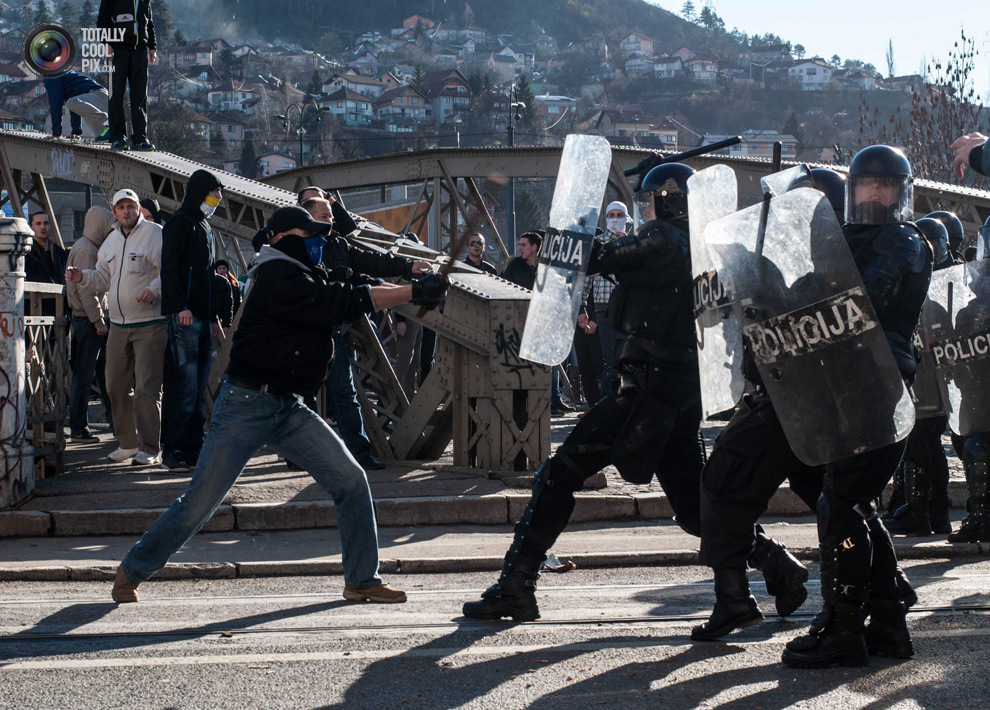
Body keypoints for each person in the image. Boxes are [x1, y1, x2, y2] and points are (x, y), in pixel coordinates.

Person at [462, 163, 795, 623]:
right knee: (697, 509)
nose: (644, 209)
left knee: (560, 473)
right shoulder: (701, 245)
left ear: (666, 200)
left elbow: (598, 256)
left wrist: (571, 230)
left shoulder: (662, 240)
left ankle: (516, 584)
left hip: (646, 392)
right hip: (677, 391)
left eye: (649, 200)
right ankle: (777, 566)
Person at [109, 206, 447, 604]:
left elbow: (355, 273)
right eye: (314, 237)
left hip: (286, 406)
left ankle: (361, 579)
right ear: (288, 239)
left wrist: (410, 272)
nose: (323, 244)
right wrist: (413, 291)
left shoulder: (299, 268)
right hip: (245, 405)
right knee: (199, 503)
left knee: (351, 480)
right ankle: (131, 570)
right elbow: (339, 300)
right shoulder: (276, 275)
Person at [783, 145, 932, 669]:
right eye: (865, 185)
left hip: (879, 383)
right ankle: (888, 626)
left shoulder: (904, 240)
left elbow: (865, 295)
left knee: (843, 502)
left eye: (884, 185)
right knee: (853, 504)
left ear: (899, 191)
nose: (873, 194)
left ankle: (844, 628)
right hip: (846, 385)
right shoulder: (845, 240)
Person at [302, 197, 433, 469]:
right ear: (307, 217)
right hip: (302, 331)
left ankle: (360, 456)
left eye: (331, 215)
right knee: (302, 395)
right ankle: (299, 454)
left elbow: (371, 262)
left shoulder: (337, 244)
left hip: (331, 329)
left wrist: (407, 267)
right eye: (324, 216)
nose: (330, 220)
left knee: (346, 394)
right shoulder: (296, 247)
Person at [65, 189, 166, 466]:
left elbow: (168, 272)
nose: (126, 211)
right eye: (120, 207)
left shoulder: (155, 234)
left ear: (137, 208)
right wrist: (81, 276)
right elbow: (102, 279)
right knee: (114, 385)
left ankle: (150, 448)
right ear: (114, 213)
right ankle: (127, 443)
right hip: (118, 325)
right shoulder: (109, 242)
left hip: (150, 324)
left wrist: (154, 290)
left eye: (130, 206)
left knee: (147, 388)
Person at [883, 217, 955, 536]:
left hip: (931, 372)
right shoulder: (937, 277)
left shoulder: (944, 280)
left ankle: (920, 511)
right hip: (932, 372)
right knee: (927, 442)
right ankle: (932, 510)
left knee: (920, 441)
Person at [160, 169, 225, 472]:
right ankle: (172, 449)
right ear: (201, 192)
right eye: (214, 194)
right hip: (184, 315)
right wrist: (179, 306)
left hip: (202, 317)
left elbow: (209, 278)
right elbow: (169, 269)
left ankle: (192, 449)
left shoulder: (205, 227)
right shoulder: (180, 223)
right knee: (182, 387)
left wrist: (213, 317)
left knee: (198, 390)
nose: (217, 200)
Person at [500, 232, 570, 415]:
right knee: (526, 362)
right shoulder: (514, 266)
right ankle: (532, 402)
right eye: (520, 244)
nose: (520, 248)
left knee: (551, 361)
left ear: (534, 248)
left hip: (546, 321)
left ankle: (554, 400)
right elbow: (502, 287)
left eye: (523, 245)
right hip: (522, 321)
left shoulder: (549, 267)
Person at [66, 206, 114, 442]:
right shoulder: (88, 250)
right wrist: (98, 321)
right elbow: (87, 290)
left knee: (100, 375)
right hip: (89, 321)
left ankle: (115, 424)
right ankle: (78, 427)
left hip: (86, 319)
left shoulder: (84, 246)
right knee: (86, 376)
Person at [585, 201, 632, 398]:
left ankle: (626, 398)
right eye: (611, 215)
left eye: (619, 215)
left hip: (630, 308)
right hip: (604, 308)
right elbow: (586, 280)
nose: (615, 219)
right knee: (611, 357)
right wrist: (582, 309)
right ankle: (608, 400)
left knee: (629, 356)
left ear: (626, 218)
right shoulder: (597, 244)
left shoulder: (635, 241)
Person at [97, 0, 156, 151]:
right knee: (116, 95)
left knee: (140, 97)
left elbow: (149, 22)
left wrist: (152, 47)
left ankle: (140, 139)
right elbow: (102, 19)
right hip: (118, 52)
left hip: (140, 52)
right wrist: (106, 43)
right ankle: (118, 138)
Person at [43, 69, 110, 141]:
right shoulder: (63, 76)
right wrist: (76, 132)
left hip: (98, 95)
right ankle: (106, 134)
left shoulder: (51, 75)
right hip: (99, 98)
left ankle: (105, 120)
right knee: (102, 137)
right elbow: (76, 108)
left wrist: (56, 133)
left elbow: (56, 104)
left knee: (71, 103)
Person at [25, 212, 68, 286]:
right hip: (34, 296)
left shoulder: (59, 252)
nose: (43, 227)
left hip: (58, 296)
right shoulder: (26, 253)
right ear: (31, 227)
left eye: (46, 223)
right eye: (38, 224)